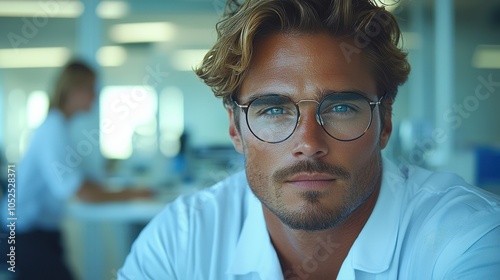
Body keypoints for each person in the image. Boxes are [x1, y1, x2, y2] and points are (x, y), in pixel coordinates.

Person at [119, 0, 500, 279]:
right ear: (235, 129)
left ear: (385, 121)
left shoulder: (467, 238)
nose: (308, 142)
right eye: (273, 109)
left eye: (341, 108)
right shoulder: (179, 242)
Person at [0, 60, 152, 280]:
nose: (95, 96)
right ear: (73, 91)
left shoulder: (59, 126)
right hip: (22, 235)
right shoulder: (53, 129)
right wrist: (134, 193)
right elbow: (81, 192)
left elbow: (81, 181)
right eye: (91, 89)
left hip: (39, 232)